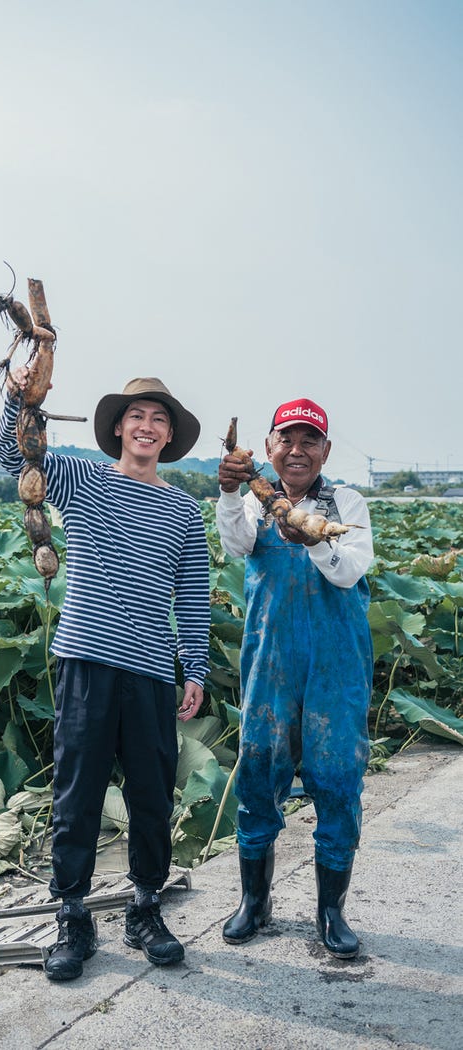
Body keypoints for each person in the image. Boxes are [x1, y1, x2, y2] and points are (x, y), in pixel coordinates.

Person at [0, 374, 210, 980]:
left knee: (151, 795)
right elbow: (14, 456)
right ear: (118, 427)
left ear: (169, 437)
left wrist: (194, 667)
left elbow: (193, 594)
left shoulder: (184, 509)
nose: (147, 427)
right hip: (86, 659)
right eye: (137, 415)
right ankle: (72, 916)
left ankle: (145, 908)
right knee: (77, 793)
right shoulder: (81, 479)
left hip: (151, 669)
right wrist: (18, 397)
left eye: (159, 420)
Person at [216, 397, 374, 958]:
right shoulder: (254, 504)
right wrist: (229, 493)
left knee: (338, 780)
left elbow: (350, 570)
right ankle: (254, 902)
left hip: (337, 667)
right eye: (287, 439)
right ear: (269, 447)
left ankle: (331, 912)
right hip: (271, 664)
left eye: (310, 440)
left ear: (325, 450)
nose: (297, 450)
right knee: (258, 774)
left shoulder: (346, 503)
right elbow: (235, 545)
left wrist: (316, 540)